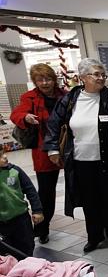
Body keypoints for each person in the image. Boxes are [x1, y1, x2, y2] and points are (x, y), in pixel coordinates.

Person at [44, 59, 108, 253]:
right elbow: (54, 123)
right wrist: (53, 148)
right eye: (96, 74)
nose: (101, 78)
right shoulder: (71, 99)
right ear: (82, 78)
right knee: (89, 201)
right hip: (80, 160)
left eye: (103, 75)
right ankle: (94, 237)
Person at [10, 64, 65, 244]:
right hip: (43, 151)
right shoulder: (30, 97)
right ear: (34, 81)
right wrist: (25, 117)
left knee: (79, 187)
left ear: (54, 79)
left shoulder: (64, 95)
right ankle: (42, 229)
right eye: (40, 80)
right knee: (46, 193)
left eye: (48, 79)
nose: (45, 83)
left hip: (67, 147)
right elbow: (16, 113)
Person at [0, 149, 43, 257]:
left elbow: (30, 190)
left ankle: (28, 266)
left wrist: (37, 210)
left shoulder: (15, 170)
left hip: (21, 218)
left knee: (27, 246)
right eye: (0, 156)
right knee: (6, 252)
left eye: (3, 153)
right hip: (2, 224)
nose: (5, 156)